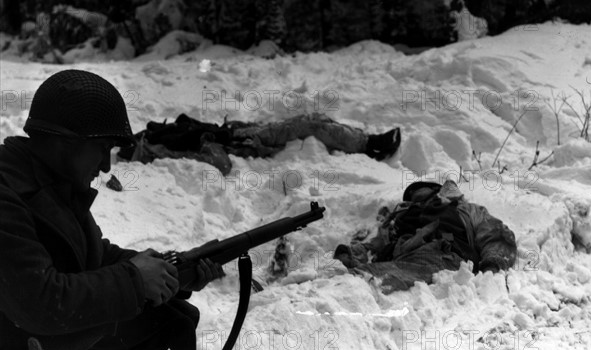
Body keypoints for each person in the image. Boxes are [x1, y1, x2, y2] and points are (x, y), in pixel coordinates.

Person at [0, 70, 224, 350]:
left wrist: (167, 269)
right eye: (101, 149)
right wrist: (135, 279)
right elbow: (41, 302)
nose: (106, 166)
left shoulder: (50, 181)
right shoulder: (7, 194)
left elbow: (95, 257)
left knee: (156, 325)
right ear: (64, 141)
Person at [334, 180, 517, 294]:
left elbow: (496, 234)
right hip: (406, 257)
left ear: (435, 190)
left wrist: (492, 264)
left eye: (420, 190)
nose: (414, 194)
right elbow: (377, 246)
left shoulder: (464, 210)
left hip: (444, 254)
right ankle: (342, 286)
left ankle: (347, 288)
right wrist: (353, 254)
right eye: (411, 195)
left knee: (367, 280)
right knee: (366, 275)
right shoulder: (400, 218)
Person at [118, 113, 402, 175]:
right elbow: (218, 162)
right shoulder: (155, 148)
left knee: (311, 116)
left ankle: (362, 139)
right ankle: (369, 145)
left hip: (237, 132)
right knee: (308, 124)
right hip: (244, 141)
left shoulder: (154, 136)